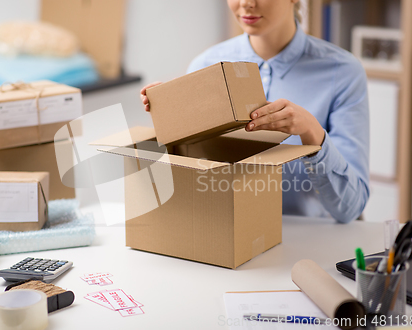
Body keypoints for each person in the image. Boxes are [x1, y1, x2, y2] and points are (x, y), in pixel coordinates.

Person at [140, 0, 369, 223]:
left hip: (306, 243)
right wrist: (169, 114)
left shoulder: (342, 72)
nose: (246, 3)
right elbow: (190, 179)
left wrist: (312, 132)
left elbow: (350, 207)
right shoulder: (205, 66)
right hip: (224, 236)